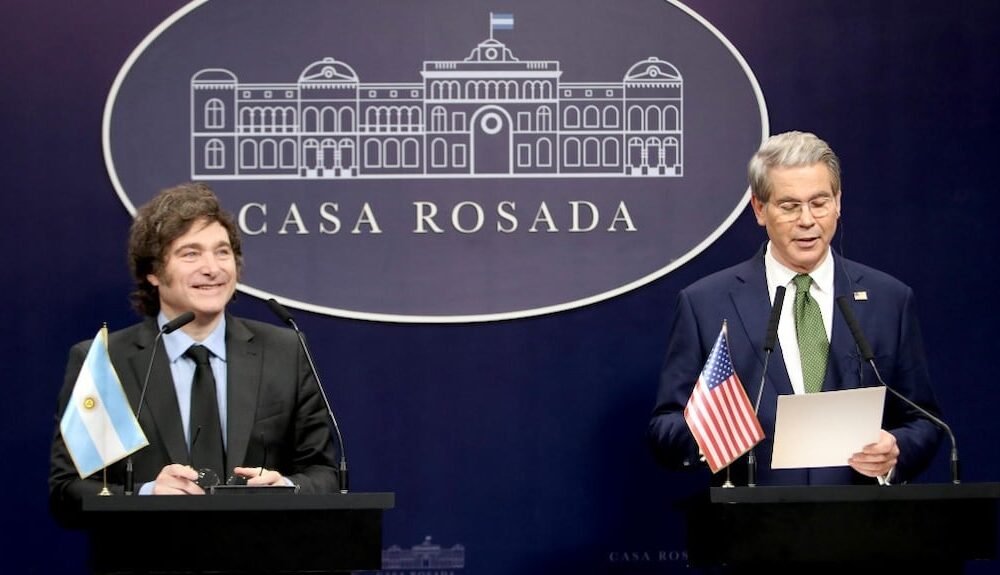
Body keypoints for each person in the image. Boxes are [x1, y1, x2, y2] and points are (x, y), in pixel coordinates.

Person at [648, 131, 943, 486]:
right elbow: (666, 426)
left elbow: (923, 421)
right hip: (753, 515)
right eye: (789, 206)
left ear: (838, 202)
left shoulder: (888, 299)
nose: (807, 220)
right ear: (760, 209)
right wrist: (708, 436)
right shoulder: (706, 303)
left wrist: (896, 450)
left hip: (859, 515)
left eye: (819, 202)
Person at [49, 182, 339, 522]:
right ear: (153, 272)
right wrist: (146, 494)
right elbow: (68, 492)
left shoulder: (284, 351)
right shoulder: (107, 362)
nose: (212, 268)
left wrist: (287, 487)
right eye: (191, 253)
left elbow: (324, 474)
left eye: (222, 252)